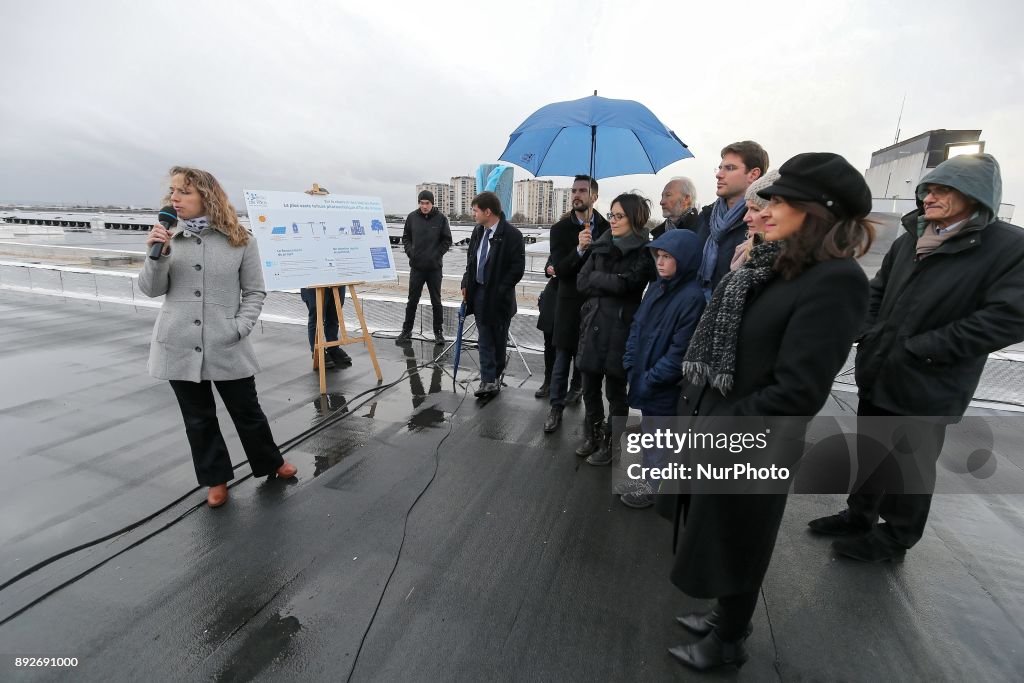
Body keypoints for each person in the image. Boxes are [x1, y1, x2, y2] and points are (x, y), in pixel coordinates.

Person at [667, 153, 874, 671]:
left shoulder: (837, 280)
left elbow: (800, 390)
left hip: (757, 433)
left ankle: (730, 640)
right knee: (717, 528)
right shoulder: (783, 265)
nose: (766, 209)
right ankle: (723, 616)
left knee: (742, 537)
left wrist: (722, 423)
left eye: (781, 200)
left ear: (817, 211)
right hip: (729, 419)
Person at [808, 153, 1024, 562]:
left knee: (910, 465)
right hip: (881, 367)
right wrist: (869, 332)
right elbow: (878, 289)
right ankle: (859, 515)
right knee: (872, 448)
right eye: (927, 189)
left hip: (931, 380)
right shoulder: (913, 237)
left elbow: (1008, 319)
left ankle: (896, 538)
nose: (928, 197)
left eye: (942, 189)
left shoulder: (1010, 248)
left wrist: (926, 348)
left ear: (975, 195)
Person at [140, 166, 297, 508]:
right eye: (173, 192)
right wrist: (158, 255)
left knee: (247, 411)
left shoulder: (241, 240)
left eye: (184, 192)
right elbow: (151, 290)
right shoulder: (169, 239)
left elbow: (255, 292)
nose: (175, 199)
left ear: (206, 197)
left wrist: (238, 327)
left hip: (227, 343)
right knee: (198, 419)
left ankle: (271, 462)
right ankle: (216, 478)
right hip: (177, 343)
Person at [619, 228, 705, 507]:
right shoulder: (656, 287)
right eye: (658, 255)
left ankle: (652, 488)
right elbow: (637, 327)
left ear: (685, 259)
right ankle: (648, 480)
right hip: (643, 375)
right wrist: (630, 363)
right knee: (651, 434)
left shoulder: (692, 298)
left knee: (660, 439)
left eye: (668, 256)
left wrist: (649, 378)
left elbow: (680, 352)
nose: (660, 261)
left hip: (663, 385)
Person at [574, 192, 657, 463]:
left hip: (620, 327)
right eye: (611, 215)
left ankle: (612, 444)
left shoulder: (645, 251)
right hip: (593, 323)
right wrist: (606, 279)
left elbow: (628, 284)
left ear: (634, 218)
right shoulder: (599, 245)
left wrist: (600, 279)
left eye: (619, 216)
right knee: (589, 386)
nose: (613, 220)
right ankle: (593, 435)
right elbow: (581, 282)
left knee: (616, 391)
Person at [543, 175, 605, 432]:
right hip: (568, 303)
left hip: (596, 303)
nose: (577, 195)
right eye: (574, 190)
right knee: (561, 359)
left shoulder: (607, 226)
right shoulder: (560, 229)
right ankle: (555, 408)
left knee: (589, 361)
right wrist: (579, 249)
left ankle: (586, 407)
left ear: (595, 196)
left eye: (583, 190)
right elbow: (560, 268)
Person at [460, 192, 526, 398]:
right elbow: (471, 261)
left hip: (499, 299)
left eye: (475, 211)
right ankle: (488, 380)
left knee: (498, 338)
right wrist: (465, 282)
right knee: (484, 338)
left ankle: (495, 375)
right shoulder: (478, 231)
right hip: (479, 293)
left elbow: (517, 269)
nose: (473, 215)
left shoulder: (513, 235)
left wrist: (499, 290)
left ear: (488, 212)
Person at [696, 141, 769, 297]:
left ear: (753, 174)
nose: (719, 174)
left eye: (729, 168)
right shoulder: (706, 216)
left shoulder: (762, 223)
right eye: (720, 167)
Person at [398, 190, 453, 343]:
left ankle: (438, 332)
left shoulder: (441, 219)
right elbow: (406, 237)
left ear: (432, 203)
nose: (424, 206)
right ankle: (406, 331)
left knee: (436, 301)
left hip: (434, 268)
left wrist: (437, 255)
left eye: (427, 203)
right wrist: (410, 252)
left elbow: (447, 240)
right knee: (412, 300)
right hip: (416, 267)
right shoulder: (412, 217)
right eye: (421, 203)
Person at [729, 169, 780, 271]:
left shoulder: (779, 261)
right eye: (748, 209)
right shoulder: (744, 249)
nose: (745, 218)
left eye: (755, 209)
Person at [299, 286, 352, 369]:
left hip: (336, 280)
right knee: (317, 317)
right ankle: (317, 352)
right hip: (314, 280)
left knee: (334, 314)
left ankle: (333, 348)